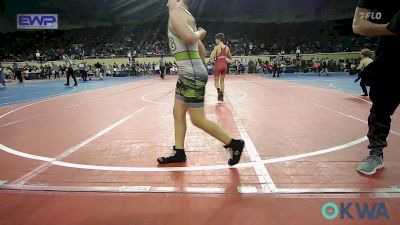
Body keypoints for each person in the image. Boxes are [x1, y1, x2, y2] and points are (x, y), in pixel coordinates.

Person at [157, 0, 245, 166]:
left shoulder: (176, 12)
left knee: (198, 119)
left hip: (191, 74)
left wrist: (200, 33)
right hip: (189, 73)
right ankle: (179, 151)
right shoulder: (187, 17)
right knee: (178, 111)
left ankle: (234, 144)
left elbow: (190, 38)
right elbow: (202, 52)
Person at [352, 0, 399, 175]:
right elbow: (358, 25)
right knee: (381, 108)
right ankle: (376, 153)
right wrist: (390, 28)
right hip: (391, 58)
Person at [210, 33, 232, 102]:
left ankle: (219, 90)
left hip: (218, 65)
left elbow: (211, 57)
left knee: (216, 81)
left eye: (216, 39)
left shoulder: (216, 47)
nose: (215, 41)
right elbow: (230, 57)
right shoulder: (227, 48)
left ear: (219, 39)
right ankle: (222, 96)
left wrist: (212, 61)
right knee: (222, 81)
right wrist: (225, 59)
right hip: (224, 66)